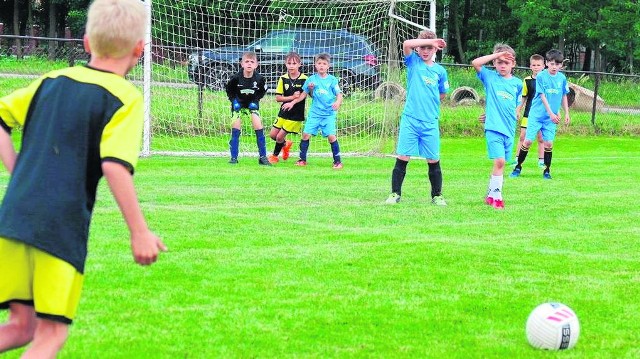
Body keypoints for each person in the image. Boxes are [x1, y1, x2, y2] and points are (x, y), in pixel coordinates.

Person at [0, 0, 167, 357]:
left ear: (87, 42)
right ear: (140, 48)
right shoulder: (125, 97)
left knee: (20, 326)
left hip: (12, 218)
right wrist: (140, 231)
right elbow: (114, 166)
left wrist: (17, 171)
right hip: (59, 226)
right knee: (49, 336)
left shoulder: (51, 80)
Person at [385, 30, 448, 206]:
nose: (425, 51)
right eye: (422, 47)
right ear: (418, 49)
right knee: (403, 157)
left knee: (433, 160)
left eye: (429, 48)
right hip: (410, 120)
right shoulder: (413, 62)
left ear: (435, 49)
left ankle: (437, 195)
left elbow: (442, 94)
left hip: (430, 122)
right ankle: (395, 194)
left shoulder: (440, 71)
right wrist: (433, 40)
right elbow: (406, 44)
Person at [472, 43, 523, 210]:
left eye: (506, 62)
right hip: (493, 128)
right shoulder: (490, 77)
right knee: (499, 161)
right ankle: (497, 197)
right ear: (494, 63)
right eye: (499, 62)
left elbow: (513, 104)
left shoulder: (517, 83)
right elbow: (476, 63)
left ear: (513, 64)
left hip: (509, 129)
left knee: (501, 164)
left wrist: (513, 112)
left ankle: (490, 195)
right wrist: (497, 55)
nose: (502, 65)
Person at [511, 49, 571, 180]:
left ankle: (547, 170)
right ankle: (518, 167)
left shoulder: (562, 78)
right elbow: (542, 96)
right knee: (527, 141)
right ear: (547, 63)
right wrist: (551, 113)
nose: (554, 66)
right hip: (537, 116)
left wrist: (566, 112)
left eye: (557, 64)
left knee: (548, 143)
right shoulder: (541, 76)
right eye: (552, 63)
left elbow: (564, 95)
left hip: (551, 118)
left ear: (561, 65)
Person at [292, 52, 344, 169]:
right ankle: (302, 159)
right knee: (305, 135)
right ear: (315, 65)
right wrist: (293, 102)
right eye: (319, 63)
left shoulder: (332, 80)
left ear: (328, 66)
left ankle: (337, 161)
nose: (321, 66)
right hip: (315, 113)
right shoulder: (311, 79)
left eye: (324, 64)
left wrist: (337, 102)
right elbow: (304, 94)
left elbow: (339, 94)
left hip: (328, 114)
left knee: (331, 137)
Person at [225, 51, 270, 166]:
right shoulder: (235, 78)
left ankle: (263, 157)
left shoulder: (260, 79)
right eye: (247, 61)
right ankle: (234, 158)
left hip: (251, 105)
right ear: (242, 64)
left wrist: (256, 101)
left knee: (258, 126)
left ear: (256, 65)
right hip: (238, 105)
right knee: (236, 128)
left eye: (252, 62)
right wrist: (234, 101)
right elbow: (229, 91)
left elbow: (262, 91)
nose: (249, 64)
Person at [268, 52, 308, 164]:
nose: (291, 65)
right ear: (285, 64)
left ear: (299, 64)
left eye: (294, 63)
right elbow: (278, 98)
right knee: (273, 135)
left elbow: (310, 94)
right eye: (289, 63)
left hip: (296, 114)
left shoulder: (305, 79)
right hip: (284, 111)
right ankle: (286, 145)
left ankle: (274, 156)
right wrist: (291, 97)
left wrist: (312, 89)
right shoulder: (283, 78)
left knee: (279, 137)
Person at [514, 54, 546, 168]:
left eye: (538, 65)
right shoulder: (527, 81)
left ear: (543, 66)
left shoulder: (546, 80)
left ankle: (541, 161)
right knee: (523, 136)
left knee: (541, 138)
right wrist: (518, 110)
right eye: (534, 65)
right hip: (528, 113)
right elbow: (523, 97)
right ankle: (517, 159)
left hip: (542, 114)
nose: (536, 67)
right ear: (530, 66)